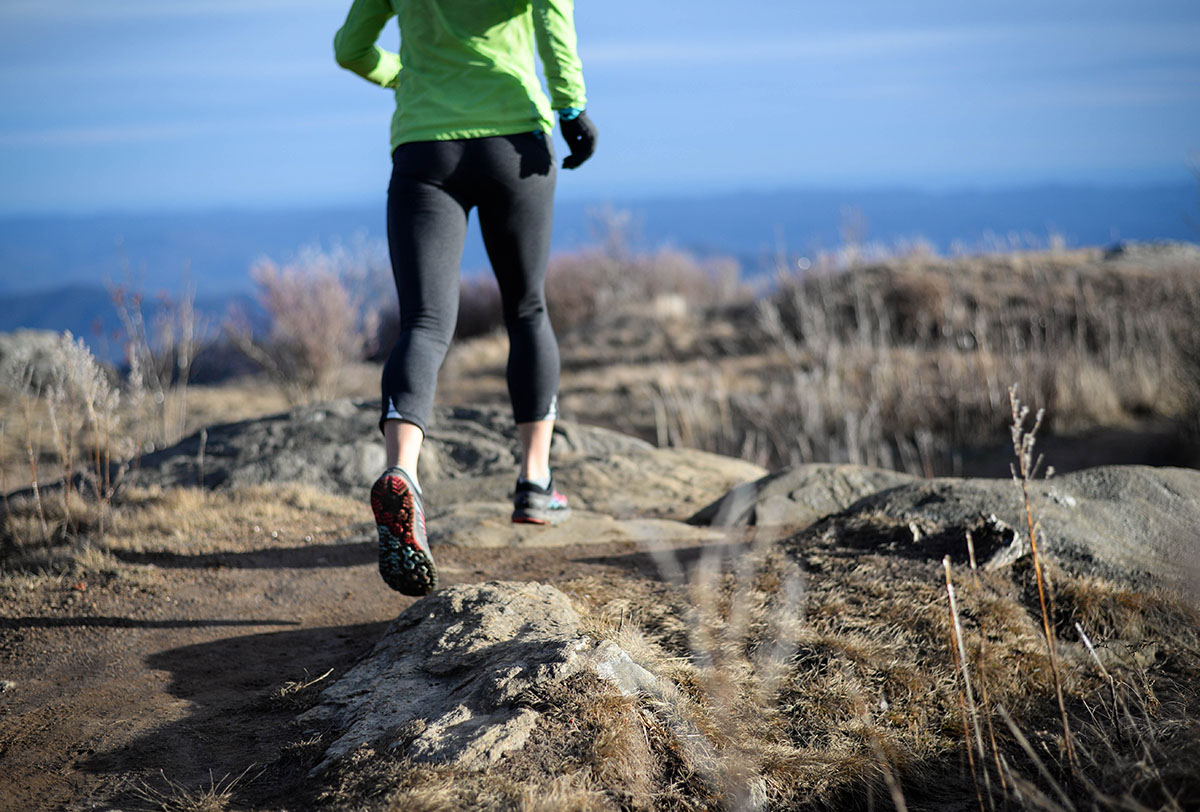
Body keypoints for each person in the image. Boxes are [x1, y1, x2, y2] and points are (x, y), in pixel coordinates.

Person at [334, 0, 597, 596]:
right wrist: (572, 109)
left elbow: (351, 49)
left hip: (426, 149)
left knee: (424, 324)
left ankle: (401, 469)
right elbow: (554, 22)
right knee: (527, 309)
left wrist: (404, 75)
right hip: (513, 142)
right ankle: (534, 483)